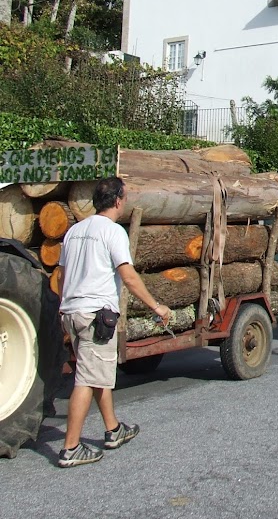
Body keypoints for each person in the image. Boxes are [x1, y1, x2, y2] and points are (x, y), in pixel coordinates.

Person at [57, 177, 172, 468]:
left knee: (95, 373)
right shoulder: (113, 232)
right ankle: (70, 448)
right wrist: (156, 306)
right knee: (86, 379)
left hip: (71, 311)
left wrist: (64, 306)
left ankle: (113, 429)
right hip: (97, 314)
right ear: (119, 201)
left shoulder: (74, 231)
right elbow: (129, 276)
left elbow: (60, 275)